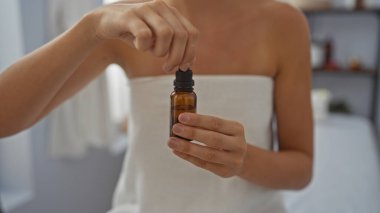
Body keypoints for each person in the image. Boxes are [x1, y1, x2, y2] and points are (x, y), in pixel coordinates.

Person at [0, 0, 313, 212]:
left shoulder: (283, 23)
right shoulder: (127, 23)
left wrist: (244, 161)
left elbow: (301, 170)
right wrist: (90, 27)